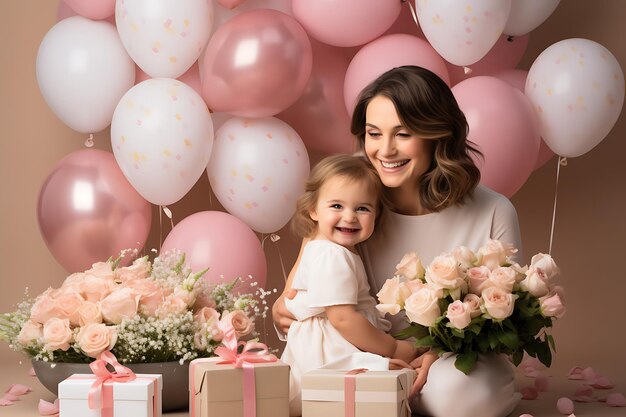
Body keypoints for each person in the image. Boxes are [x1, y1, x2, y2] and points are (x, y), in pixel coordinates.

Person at [273, 66, 523, 417]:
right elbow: (290, 303)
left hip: (452, 361)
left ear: (438, 133)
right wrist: (287, 310)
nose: (385, 150)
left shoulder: (493, 211)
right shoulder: (348, 207)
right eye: (374, 134)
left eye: (403, 134)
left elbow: (506, 320)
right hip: (366, 357)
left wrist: (434, 352)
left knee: (457, 397)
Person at [280, 154, 417, 416]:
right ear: (313, 209)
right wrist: (392, 348)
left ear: (376, 215)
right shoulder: (332, 255)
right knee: (374, 386)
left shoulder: (326, 249)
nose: (350, 217)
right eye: (337, 206)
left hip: (328, 344)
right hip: (331, 351)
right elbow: (342, 318)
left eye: (363, 208)